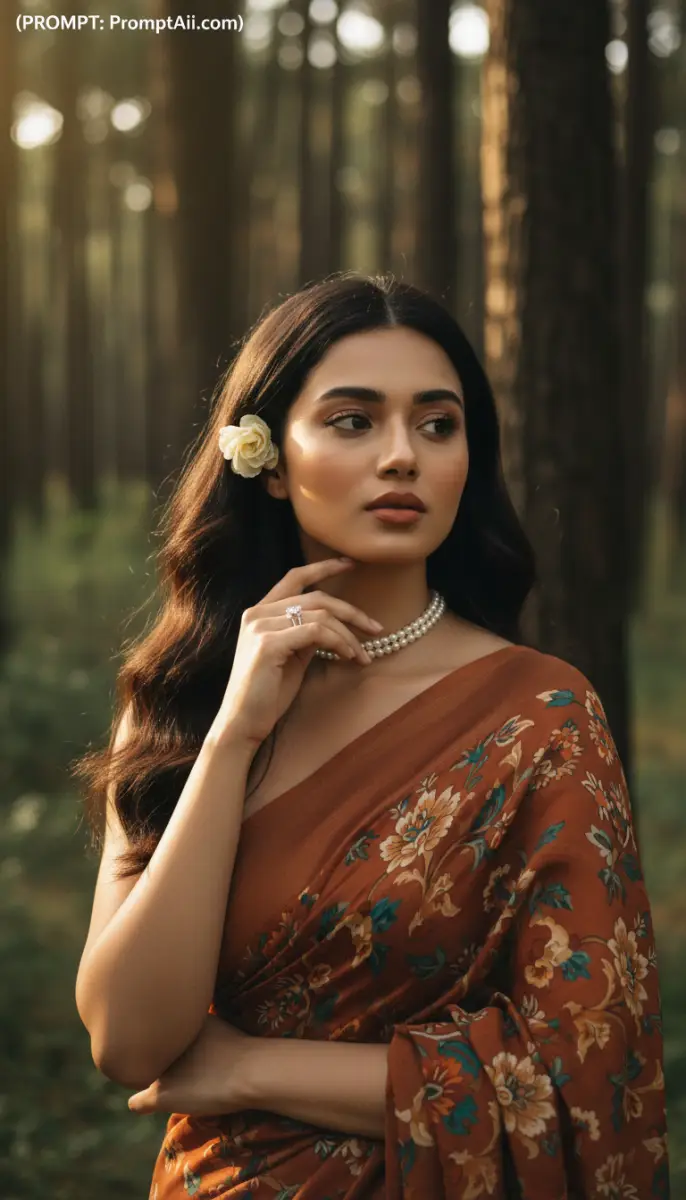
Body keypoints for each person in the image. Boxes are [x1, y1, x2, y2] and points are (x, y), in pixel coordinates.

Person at [73, 273, 668, 1198]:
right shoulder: (184, 699)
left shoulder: (540, 718)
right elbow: (126, 1039)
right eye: (354, 420)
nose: (404, 457)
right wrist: (235, 734)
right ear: (268, 459)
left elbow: (583, 1074)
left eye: (438, 425)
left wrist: (246, 1070)